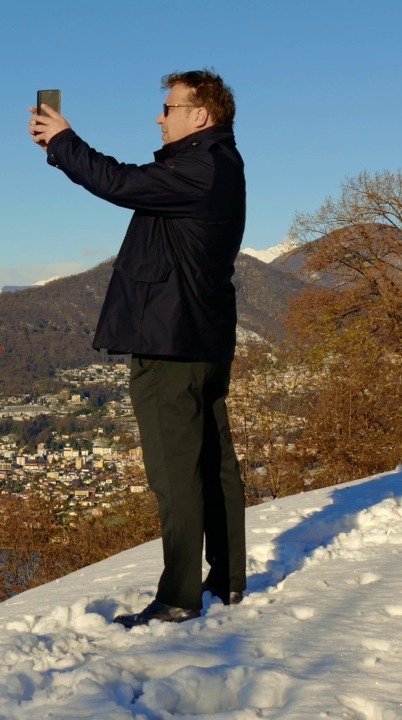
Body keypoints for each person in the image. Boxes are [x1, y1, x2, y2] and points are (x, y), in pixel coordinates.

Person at [28, 69, 247, 627]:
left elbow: (118, 182)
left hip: (172, 343)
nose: (160, 116)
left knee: (175, 473)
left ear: (199, 115)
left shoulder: (200, 168)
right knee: (212, 461)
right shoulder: (217, 166)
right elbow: (133, 183)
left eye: (170, 107)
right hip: (201, 338)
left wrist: (63, 142)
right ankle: (227, 578)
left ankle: (179, 597)